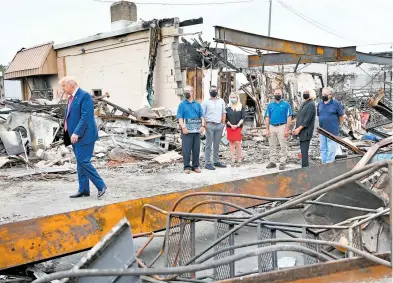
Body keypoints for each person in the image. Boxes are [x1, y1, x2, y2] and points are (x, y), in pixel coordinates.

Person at [60, 76, 107, 199]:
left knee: (83, 161)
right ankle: (84, 189)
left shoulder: (84, 96)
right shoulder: (71, 97)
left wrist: (76, 132)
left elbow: (86, 117)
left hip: (84, 135)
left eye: (64, 86)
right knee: (80, 163)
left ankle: (101, 185)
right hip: (74, 136)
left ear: (71, 85)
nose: (63, 89)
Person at [176, 85, 205, 174]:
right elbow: (180, 117)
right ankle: (187, 167)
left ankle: (195, 166)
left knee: (196, 149)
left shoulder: (197, 104)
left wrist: (202, 126)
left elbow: (202, 116)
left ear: (192, 92)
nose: (186, 93)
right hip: (186, 131)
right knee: (186, 150)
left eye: (187, 91)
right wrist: (183, 127)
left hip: (196, 131)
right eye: (184, 91)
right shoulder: (182, 104)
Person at [265, 88, 293, 170]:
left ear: (282, 94)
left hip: (282, 126)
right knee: (272, 145)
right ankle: (273, 161)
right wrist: (267, 129)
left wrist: (287, 129)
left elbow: (289, 117)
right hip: (272, 127)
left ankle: (282, 162)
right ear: (274, 94)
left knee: (283, 145)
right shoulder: (270, 105)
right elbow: (267, 117)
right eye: (276, 93)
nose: (277, 94)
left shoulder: (286, 105)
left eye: (279, 93)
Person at [202, 86, 227, 170]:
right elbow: (202, 114)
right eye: (212, 90)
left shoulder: (221, 101)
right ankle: (207, 162)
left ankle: (216, 161)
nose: (213, 92)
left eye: (215, 90)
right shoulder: (205, 102)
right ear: (209, 92)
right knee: (208, 144)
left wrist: (223, 124)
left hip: (219, 125)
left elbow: (224, 112)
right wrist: (205, 124)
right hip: (209, 125)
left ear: (217, 91)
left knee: (216, 144)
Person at [317, 87, 345, 164]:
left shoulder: (336, 103)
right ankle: (324, 164)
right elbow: (319, 116)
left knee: (331, 149)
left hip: (332, 130)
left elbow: (341, 116)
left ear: (330, 95)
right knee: (323, 149)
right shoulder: (320, 104)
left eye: (325, 94)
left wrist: (339, 125)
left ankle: (329, 165)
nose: (323, 96)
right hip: (322, 130)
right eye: (322, 94)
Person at [292, 89, 316, 167]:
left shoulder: (311, 104)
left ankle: (305, 168)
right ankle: (304, 166)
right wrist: (295, 127)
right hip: (301, 131)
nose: (305, 94)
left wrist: (299, 129)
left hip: (306, 131)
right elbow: (299, 117)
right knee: (303, 151)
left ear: (311, 94)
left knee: (304, 151)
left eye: (307, 93)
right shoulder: (304, 103)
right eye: (304, 92)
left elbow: (307, 120)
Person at [226, 92, 245, 167]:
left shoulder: (241, 106)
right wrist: (230, 125)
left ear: (237, 98)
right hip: (229, 127)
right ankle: (233, 159)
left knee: (238, 143)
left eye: (234, 97)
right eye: (232, 97)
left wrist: (237, 125)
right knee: (231, 143)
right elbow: (225, 118)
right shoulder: (227, 107)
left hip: (238, 127)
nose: (233, 98)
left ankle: (239, 158)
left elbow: (243, 117)